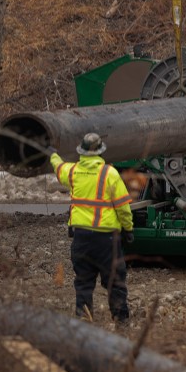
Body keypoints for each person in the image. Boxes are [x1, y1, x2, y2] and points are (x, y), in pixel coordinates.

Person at [49, 132, 134, 322]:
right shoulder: (109, 173)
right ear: (100, 152)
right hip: (107, 241)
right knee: (115, 282)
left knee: (83, 284)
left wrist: (52, 154)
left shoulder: (73, 172)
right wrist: (128, 229)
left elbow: (58, 167)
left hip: (81, 238)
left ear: (82, 151)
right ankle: (121, 322)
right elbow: (123, 207)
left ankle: (84, 323)